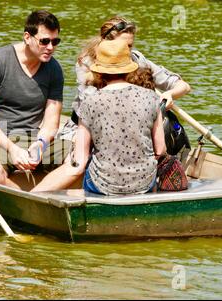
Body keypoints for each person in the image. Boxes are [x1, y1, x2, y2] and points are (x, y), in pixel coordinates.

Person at [32, 39, 166, 194]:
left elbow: (79, 162)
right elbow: (161, 149)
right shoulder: (151, 97)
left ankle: (32, 196)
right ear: (130, 69)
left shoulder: (90, 102)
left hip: (103, 185)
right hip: (145, 183)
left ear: (99, 71)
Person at [0, 10, 70, 188]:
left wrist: (40, 144)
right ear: (27, 37)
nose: (50, 47)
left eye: (55, 41)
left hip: (34, 140)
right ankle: (30, 202)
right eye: (44, 41)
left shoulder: (54, 69)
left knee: (80, 158)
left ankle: (38, 195)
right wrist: (13, 149)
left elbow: (51, 122)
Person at [58, 16, 191, 142]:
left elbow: (183, 86)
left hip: (131, 132)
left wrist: (169, 94)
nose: (127, 52)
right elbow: (92, 107)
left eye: (130, 46)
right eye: (122, 46)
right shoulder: (86, 63)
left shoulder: (137, 59)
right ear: (106, 43)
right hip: (88, 130)